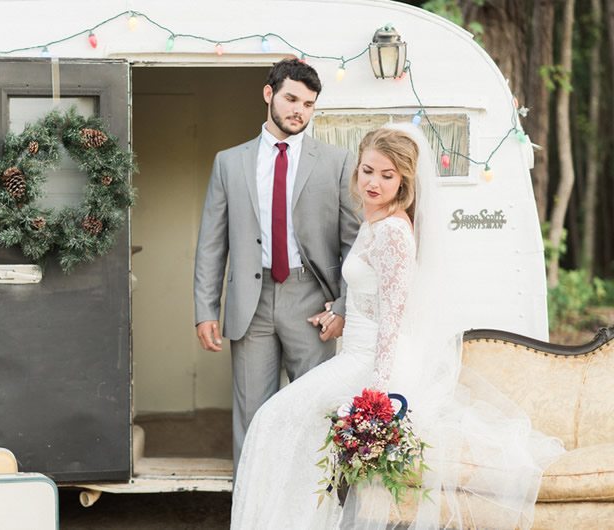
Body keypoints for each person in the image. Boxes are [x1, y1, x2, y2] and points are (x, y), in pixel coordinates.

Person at [230, 124, 565, 529]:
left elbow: (394, 316)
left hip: (372, 364)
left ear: (404, 180)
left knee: (275, 419)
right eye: (368, 170)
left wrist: (378, 390)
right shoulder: (372, 222)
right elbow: (371, 295)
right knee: (283, 425)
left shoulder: (392, 232)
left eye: (387, 176)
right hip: (356, 353)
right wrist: (342, 314)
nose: (374, 182)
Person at [193, 59, 361, 469]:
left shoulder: (337, 162)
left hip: (312, 302)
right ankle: (253, 512)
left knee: (315, 413)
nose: (298, 110)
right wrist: (205, 310)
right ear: (269, 95)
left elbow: (355, 243)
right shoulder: (229, 162)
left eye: (308, 103)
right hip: (251, 301)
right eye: (290, 98)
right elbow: (212, 244)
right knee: (253, 417)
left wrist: (342, 307)